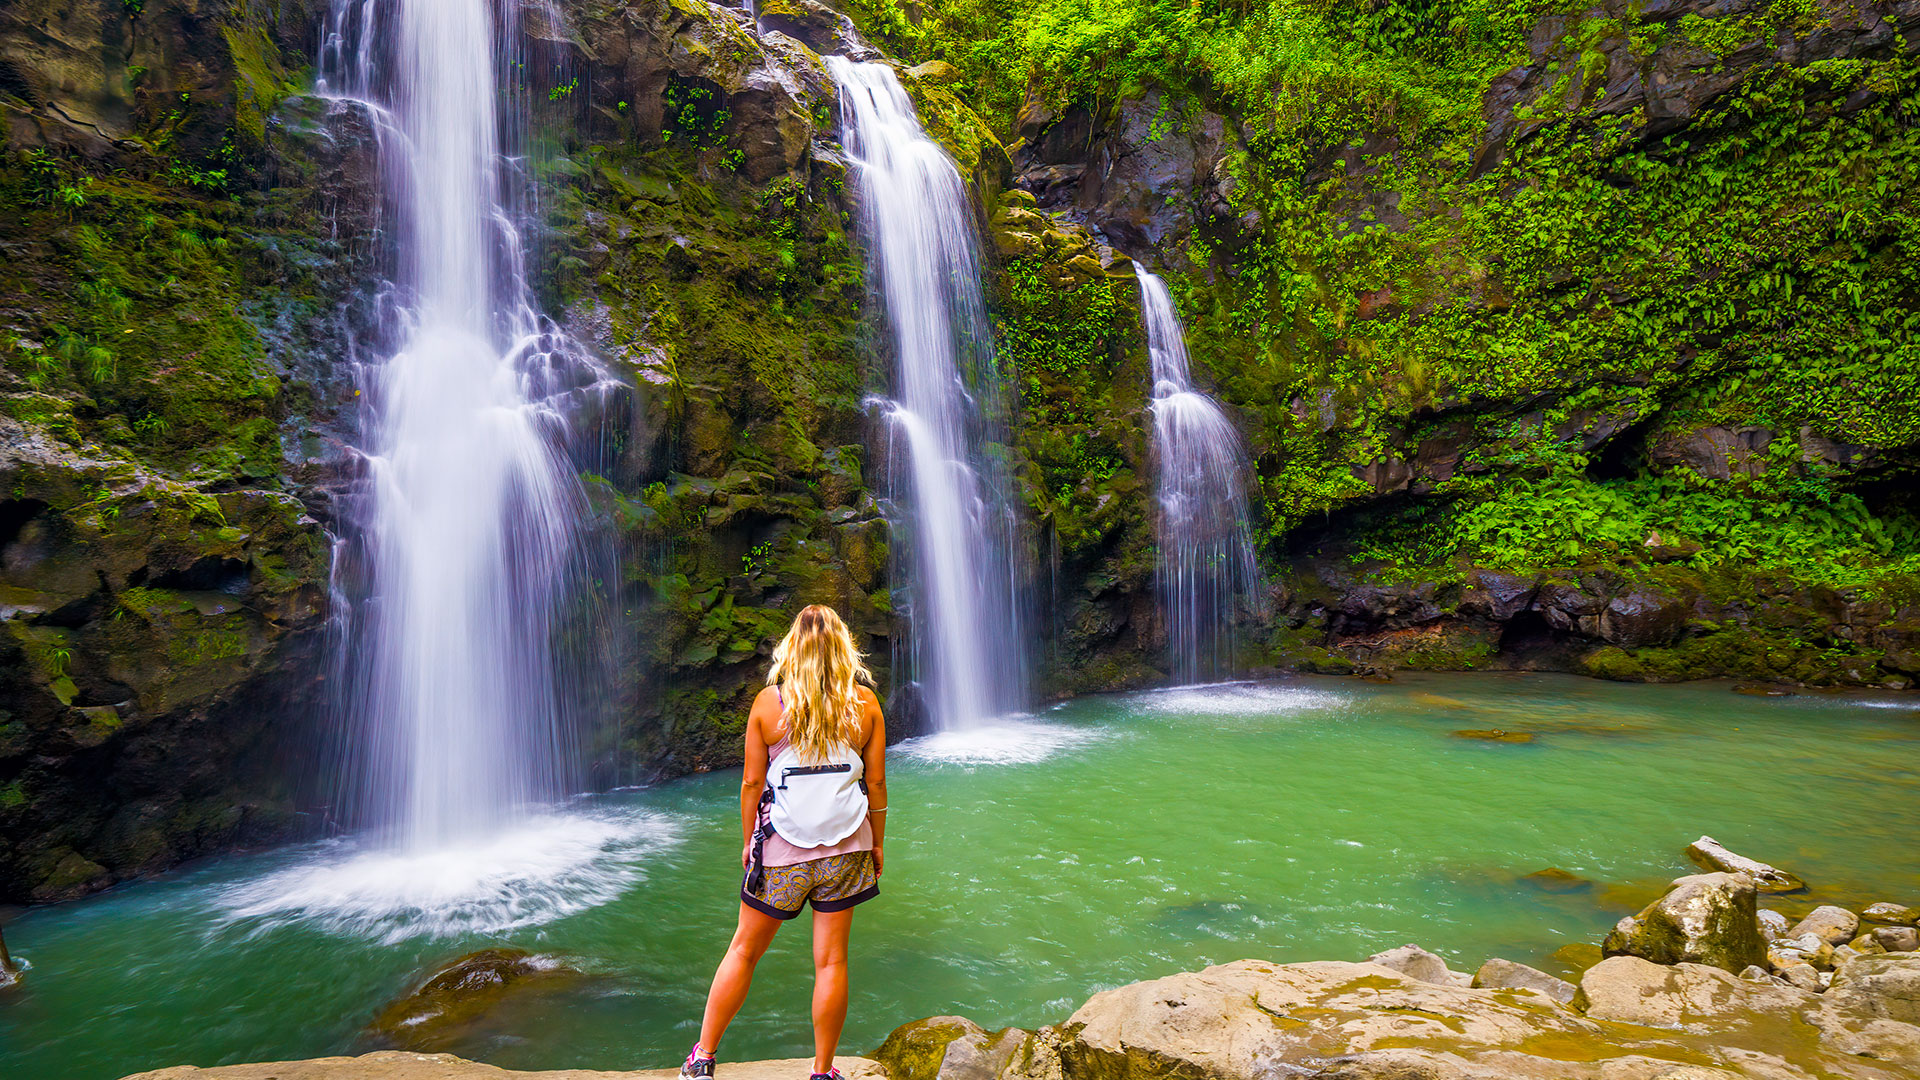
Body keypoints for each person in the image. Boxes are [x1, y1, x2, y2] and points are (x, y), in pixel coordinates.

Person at [681, 604, 887, 1080]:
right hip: (848, 848)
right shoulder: (866, 705)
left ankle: (703, 1059)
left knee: (744, 951)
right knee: (832, 960)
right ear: (843, 647)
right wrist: (878, 843)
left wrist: (747, 841)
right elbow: (875, 785)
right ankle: (821, 1071)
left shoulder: (768, 705)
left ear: (792, 646)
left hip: (781, 850)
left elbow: (752, 784)